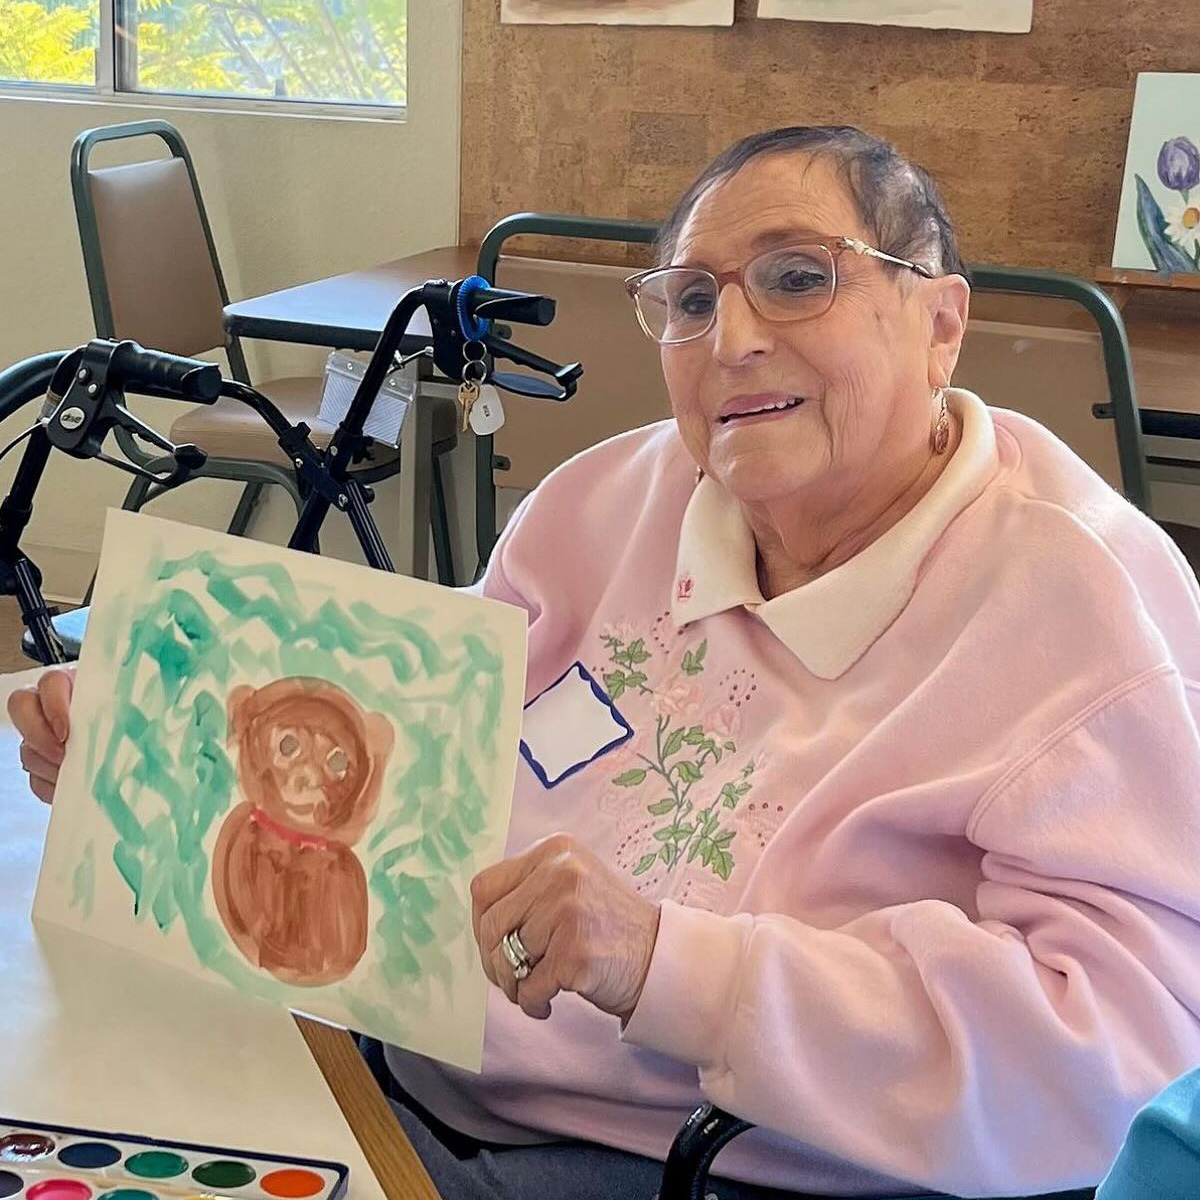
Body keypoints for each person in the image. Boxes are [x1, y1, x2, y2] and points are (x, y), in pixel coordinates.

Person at [14, 126, 1200, 1200]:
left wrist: (667, 965)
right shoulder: (612, 497)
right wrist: (154, 741)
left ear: (940, 319)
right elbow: (425, 741)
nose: (732, 337)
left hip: (674, 1160)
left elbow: (1120, 1062)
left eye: (798, 277)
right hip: (390, 1061)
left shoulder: (1082, 606)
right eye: (690, 299)